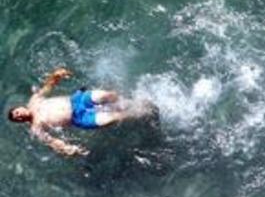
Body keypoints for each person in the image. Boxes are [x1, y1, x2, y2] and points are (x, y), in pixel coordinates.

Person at [7, 67, 155, 157]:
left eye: (17, 112)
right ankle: (141, 112)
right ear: (20, 122)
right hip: (80, 118)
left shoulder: (34, 100)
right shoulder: (36, 127)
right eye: (17, 118)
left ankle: (127, 101)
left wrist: (56, 75)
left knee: (107, 95)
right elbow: (52, 141)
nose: (19, 115)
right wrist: (68, 149)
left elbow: (47, 87)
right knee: (112, 118)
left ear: (20, 107)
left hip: (77, 100)